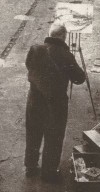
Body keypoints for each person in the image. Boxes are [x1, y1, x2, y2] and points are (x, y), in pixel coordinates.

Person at [24, 23, 85, 183]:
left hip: (34, 101)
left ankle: (30, 168)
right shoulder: (66, 55)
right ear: (63, 37)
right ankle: (49, 172)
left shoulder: (35, 49)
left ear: (50, 34)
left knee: (33, 134)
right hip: (55, 105)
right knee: (54, 137)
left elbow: (28, 66)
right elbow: (79, 78)